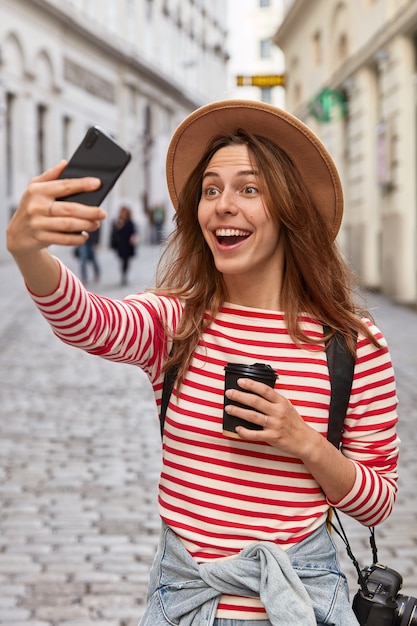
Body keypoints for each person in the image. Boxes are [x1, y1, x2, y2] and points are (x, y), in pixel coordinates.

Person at [6, 100, 399, 626]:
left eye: (249, 189)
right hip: (185, 604)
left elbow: (377, 501)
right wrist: (29, 251)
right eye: (210, 189)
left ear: (289, 210)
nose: (223, 204)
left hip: (304, 605)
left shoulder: (351, 345)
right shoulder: (177, 322)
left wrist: (302, 440)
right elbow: (87, 321)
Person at [110, 205, 138, 285]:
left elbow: (133, 231)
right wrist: (118, 226)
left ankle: (124, 274)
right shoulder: (118, 221)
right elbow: (114, 232)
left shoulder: (130, 221)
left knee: (126, 260)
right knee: (122, 259)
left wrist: (133, 238)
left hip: (128, 244)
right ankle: (123, 273)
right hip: (121, 244)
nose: (123, 213)